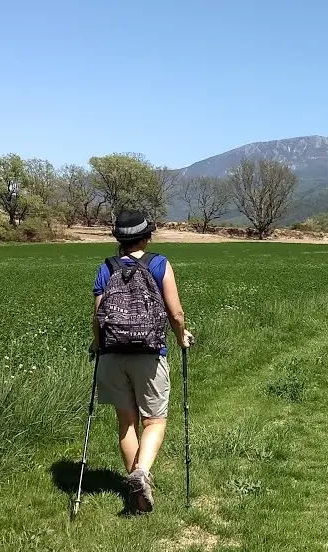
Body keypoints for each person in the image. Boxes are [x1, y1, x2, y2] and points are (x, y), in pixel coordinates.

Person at [90, 210, 194, 514]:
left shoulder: (106, 268)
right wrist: (180, 336)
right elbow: (175, 314)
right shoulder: (159, 264)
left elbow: (98, 317)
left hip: (112, 354)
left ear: (119, 240)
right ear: (146, 237)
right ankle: (143, 473)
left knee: (126, 423)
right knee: (155, 421)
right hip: (149, 354)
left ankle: (137, 496)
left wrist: (98, 346)